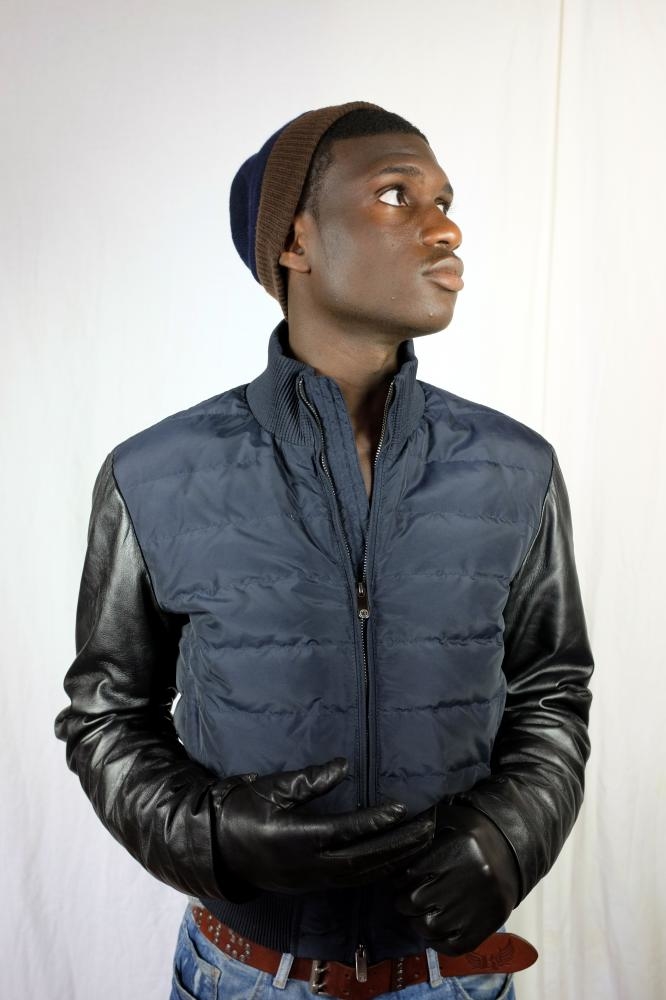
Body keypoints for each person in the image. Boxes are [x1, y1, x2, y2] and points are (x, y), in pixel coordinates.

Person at [54, 100, 594, 1000]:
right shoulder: (152, 475)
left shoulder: (517, 468)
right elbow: (107, 715)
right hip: (244, 974)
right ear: (296, 240)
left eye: (445, 202)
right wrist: (213, 834)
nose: (446, 229)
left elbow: (552, 692)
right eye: (396, 195)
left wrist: (510, 836)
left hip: (449, 980)